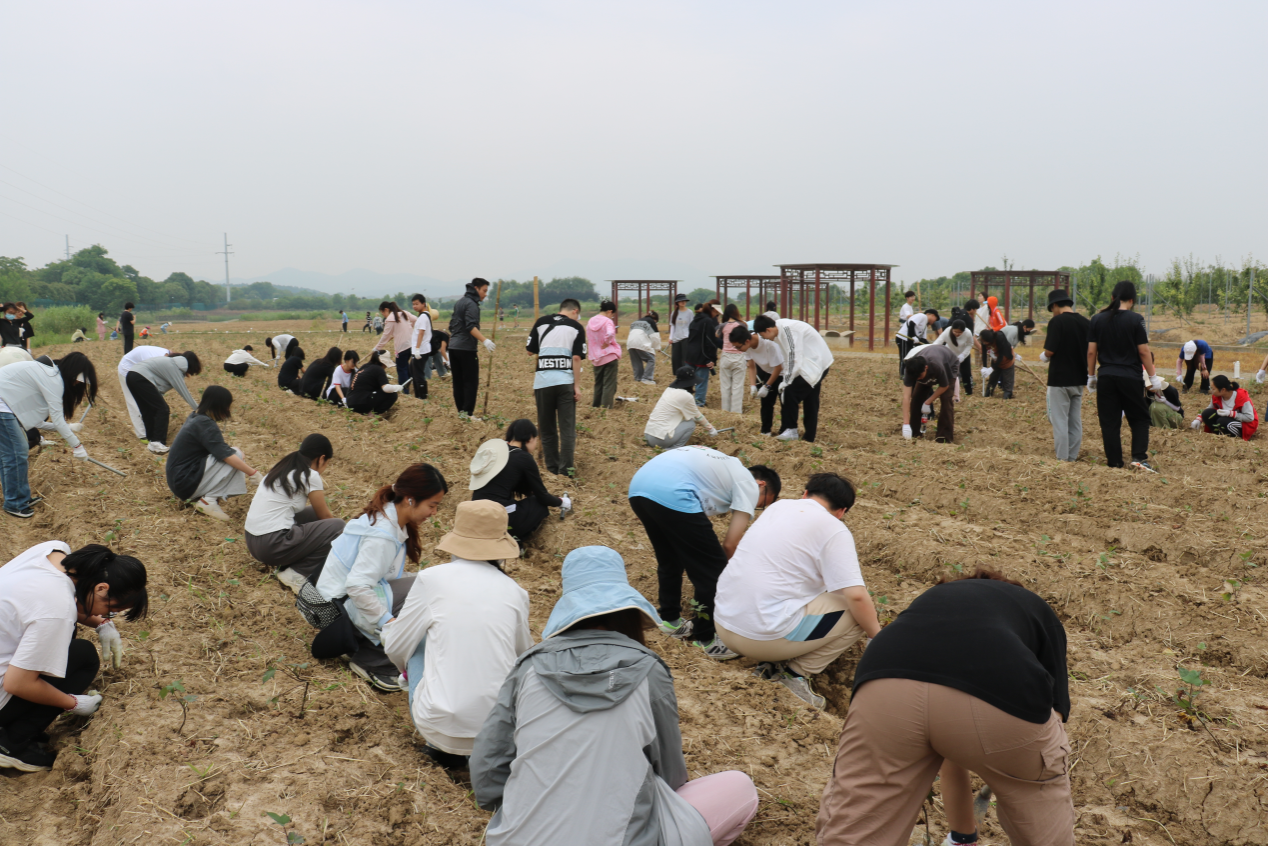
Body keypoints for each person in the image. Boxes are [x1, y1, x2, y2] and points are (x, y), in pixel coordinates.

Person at [471, 545, 760, 846]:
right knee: (739, 787)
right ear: (628, 611)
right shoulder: (649, 672)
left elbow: (487, 769)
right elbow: (671, 775)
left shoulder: (527, 668)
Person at [817, 570, 1074, 846]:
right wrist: (1018, 768)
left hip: (884, 682)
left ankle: (961, 840)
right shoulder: (1032, 606)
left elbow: (949, 743)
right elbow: (1055, 713)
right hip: (1000, 688)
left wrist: (963, 835)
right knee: (1038, 797)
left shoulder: (930, 601)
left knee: (862, 818)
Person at [715, 474, 880, 709]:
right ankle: (794, 675)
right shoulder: (834, 529)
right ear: (841, 511)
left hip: (723, 625)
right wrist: (876, 637)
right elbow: (856, 596)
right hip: (760, 639)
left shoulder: (777, 508)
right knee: (859, 613)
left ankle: (772, 661)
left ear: (805, 494)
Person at [383, 500, 527, 768]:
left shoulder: (432, 579)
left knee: (417, 639)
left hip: (439, 726)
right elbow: (522, 657)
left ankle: (442, 749)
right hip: (497, 731)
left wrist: (406, 673)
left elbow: (395, 645)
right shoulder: (516, 592)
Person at [0, 542, 148, 772]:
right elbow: (17, 683)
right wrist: (74, 703)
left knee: (67, 637)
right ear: (101, 588)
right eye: (110, 611)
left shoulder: (52, 552)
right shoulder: (58, 610)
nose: (104, 614)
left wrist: (102, 624)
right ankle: (11, 744)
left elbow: (43, 606)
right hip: (10, 686)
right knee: (84, 657)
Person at [628, 447, 779, 656]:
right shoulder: (748, 483)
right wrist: (733, 576)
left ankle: (670, 621)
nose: (756, 506)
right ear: (761, 484)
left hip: (639, 488)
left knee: (670, 558)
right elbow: (730, 544)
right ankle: (707, 638)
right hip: (674, 492)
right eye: (763, 502)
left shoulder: (725, 469)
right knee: (712, 571)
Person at [316, 463, 448, 691]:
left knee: (423, 583)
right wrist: (390, 625)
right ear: (410, 500)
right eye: (432, 505)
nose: (434, 513)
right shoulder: (384, 534)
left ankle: (365, 647)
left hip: (335, 604)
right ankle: (374, 660)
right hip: (338, 612)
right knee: (426, 589)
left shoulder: (387, 516)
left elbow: (381, 576)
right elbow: (357, 586)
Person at [0, 354, 97, 518]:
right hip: (2, 406)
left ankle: (19, 498)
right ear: (72, 373)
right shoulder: (53, 379)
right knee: (17, 451)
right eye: (77, 381)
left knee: (12, 453)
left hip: (5, 405)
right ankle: (15, 503)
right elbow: (58, 420)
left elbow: (38, 422)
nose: (77, 384)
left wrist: (68, 428)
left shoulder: (48, 374)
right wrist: (77, 446)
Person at [244, 434, 344, 592]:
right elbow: (326, 517)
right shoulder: (310, 475)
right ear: (321, 459)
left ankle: (290, 563)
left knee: (313, 514)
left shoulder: (282, 468)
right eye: (327, 463)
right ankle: (297, 574)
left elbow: (319, 515)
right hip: (270, 545)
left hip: (253, 541)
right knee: (337, 527)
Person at [1088, 281, 1164, 472]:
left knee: (1109, 421)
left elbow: (1091, 352)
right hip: (1130, 377)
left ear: (1112, 298)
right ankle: (1138, 457)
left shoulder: (1097, 319)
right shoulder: (1136, 319)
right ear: (1132, 300)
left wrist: (1091, 376)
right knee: (1139, 418)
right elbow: (1144, 351)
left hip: (1106, 376)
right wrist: (1153, 377)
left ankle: (1114, 462)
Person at [165, 386, 262, 522]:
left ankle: (206, 496)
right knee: (235, 456)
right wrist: (253, 473)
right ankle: (208, 500)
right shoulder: (205, 423)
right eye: (227, 406)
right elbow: (226, 456)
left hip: (179, 480)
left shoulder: (195, 417)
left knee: (235, 453)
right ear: (219, 405)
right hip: (185, 482)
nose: (228, 410)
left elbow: (220, 449)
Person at [470, 420, 568, 542]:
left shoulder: (498, 453)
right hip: (497, 518)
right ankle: (516, 542)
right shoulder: (524, 457)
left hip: (475, 514)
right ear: (530, 438)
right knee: (538, 505)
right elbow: (542, 496)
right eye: (536, 439)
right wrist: (561, 502)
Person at [525, 299, 586, 476]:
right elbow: (576, 358)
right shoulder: (576, 327)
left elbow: (529, 350)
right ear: (575, 311)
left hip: (543, 383)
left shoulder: (541, 322)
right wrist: (577, 386)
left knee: (547, 429)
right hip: (565, 383)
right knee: (567, 430)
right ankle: (565, 472)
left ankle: (552, 469)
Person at [753, 315, 835, 442]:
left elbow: (794, 358)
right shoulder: (778, 331)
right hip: (810, 361)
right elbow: (787, 358)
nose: (765, 339)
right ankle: (809, 438)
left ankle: (791, 430)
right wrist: (787, 378)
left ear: (768, 330)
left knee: (790, 392)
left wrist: (786, 381)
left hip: (815, 362)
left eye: (763, 336)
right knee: (810, 399)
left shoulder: (788, 331)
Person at [1040, 289, 1091, 462]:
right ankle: (1072, 457)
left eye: (1052, 309)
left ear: (1055, 305)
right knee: (1074, 421)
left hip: (1059, 380)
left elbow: (1050, 350)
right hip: (1079, 379)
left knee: (1059, 421)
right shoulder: (1086, 323)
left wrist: (1043, 356)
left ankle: (1062, 460)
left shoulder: (1057, 322)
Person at [126, 351, 202, 454]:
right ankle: (157, 442)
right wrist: (200, 410)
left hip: (131, 375)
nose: (187, 375)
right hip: (140, 377)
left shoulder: (170, 363)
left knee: (148, 409)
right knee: (163, 409)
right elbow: (184, 392)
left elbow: (159, 388)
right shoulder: (174, 367)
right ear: (189, 366)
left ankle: (151, 440)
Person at [449, 278, 495, 418]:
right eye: (484, 291)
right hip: (466, 349)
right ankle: (468, 413)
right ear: (476, 289)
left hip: (453, 348)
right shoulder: (472, 304)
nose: (485, 294)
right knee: (470, 382)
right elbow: (471, 326)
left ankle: (461, 413)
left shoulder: (460, 302)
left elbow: (451, 325)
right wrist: (485, 340)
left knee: (458, 382)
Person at [645, 366, 719, 448]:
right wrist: (710, 429)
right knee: (690, 424)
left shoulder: (669, 389)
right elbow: (697, 416)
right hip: (659, 439)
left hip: (648, 435)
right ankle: (675, 449)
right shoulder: (686, 396)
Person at [902, 344, 958, 442]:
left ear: (926, 368)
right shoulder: (911, 370)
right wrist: (906, 424)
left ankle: (943, 437)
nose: (918, 379)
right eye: (916, 378)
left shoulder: (936, 365)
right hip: (930, 362)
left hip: (949, 364)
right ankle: (914, 432)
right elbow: (906, 397)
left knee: (946, 399)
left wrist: (928, 401)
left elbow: (944, 386)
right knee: (916, 398)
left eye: (920, 376)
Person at [740, 331, 785, 435]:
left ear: (746, 341)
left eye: (738, 347)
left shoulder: (769, 344)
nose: (738, 350)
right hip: (769, 372)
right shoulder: (747, 347)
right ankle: (765, 430)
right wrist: (753, 385)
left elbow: (778, 368)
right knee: (766, 403)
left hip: (783, 373)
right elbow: (751, 366)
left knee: (785, 402)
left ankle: (785, 430)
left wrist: (766, 386)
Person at [371, 301, 417, 396]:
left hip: (402, 347)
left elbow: (385, 336)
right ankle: (409, 385)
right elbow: (415, 319)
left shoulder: (390, 319)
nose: (383, 315)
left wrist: (376, 348)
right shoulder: (404, 313)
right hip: (411, 345)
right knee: (405, 366)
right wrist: (408, 328)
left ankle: (404, 391)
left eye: (383, 313)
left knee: (401, 369)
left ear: (386, 310)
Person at [1194, 375, 1258, 439]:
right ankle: (1219, 434)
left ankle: (1237, 437)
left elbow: (1250, 417)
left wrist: (1231, 414)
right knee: (1206, 413)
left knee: (1222, 421)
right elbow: (1210, 408)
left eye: (1213, 389)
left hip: (1244, 423)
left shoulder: (1241, 397)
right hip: (1227, 419)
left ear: (1223, 390)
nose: (1211, 391)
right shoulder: (1217, 396)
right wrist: (1199, 418)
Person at [685, 300, 722, 407]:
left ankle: (686, 402)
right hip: (702, 356)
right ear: (713, 310)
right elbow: (710, 341)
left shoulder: (695, 320)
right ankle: (699, 403)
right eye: (716, 313)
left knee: (689, 381)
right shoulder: (707, 321)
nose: (716, 315)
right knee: (701, 381)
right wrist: (711, 358)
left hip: (690, 355)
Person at [928, 319, 976, 401]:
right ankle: (952, 392)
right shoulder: (947, 331)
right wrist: (932, 349)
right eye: (955, 331)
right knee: (952, 374)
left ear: (963, 331)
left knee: (966, 373)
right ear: (952, 329)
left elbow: (970, 344)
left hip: (963, 354)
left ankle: (969, 392)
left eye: (959, 332)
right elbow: (938, 342)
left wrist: (963, 355)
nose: (957, 334)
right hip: (950, 354)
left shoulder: (968, 333)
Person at [586, 301, 622, 409]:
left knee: (598, 384)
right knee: (609, 384)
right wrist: (607, 342)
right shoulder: (607, 321)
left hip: (596, 357)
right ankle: (606, 408)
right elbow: (610, 333)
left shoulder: (591, 321)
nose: (612, 317)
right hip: (609, 356)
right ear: (610, 311)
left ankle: (596, 406)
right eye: (612, 315)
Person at [716, 305, 748, 413]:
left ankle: (725, 411)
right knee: (737, 387)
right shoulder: (742, 325)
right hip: (738, 356)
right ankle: (736, 413)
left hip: (726, 356)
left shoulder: (723, 325)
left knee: (725, 387)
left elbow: (717, 335)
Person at [978, 329, 1015, 399]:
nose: (984, 343)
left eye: (985, 342)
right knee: (993, 378)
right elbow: (984, 353)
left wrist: (992, 368)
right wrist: (985, 367)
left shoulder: (999, 338)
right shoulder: (984, 341)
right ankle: (989, 391)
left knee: (1008, 379)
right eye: (983, 341)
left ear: (990, 340)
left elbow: (1001, 355)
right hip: (995, 359)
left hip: (1006, 358)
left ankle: (1008, 393)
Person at [626, 310, 661, 385]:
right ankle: (647, 378)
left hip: (630, 343)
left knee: (636, 361)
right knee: (651, 359)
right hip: (640, 343)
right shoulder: (651, 322)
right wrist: (657, 347)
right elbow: (655, 337)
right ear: (655, 320)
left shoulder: (636, 321)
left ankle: (638, 379)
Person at [408, 294, 432, 399]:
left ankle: (422, 396)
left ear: (423, 304)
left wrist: (417, 349)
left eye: (417, 304)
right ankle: (418, 395)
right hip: (419, 349)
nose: (414, 306)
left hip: (421, 350)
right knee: (414, 372)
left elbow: (421, 333)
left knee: (418, 374)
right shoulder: (423, 316)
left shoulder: (423, 317)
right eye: (413, 304)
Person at [895, 310, 930, 378]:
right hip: (903, 338)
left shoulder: (925, 326)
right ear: (931, 315)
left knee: (911, 357)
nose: (934, 322)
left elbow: (923, 339)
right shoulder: (922, 316)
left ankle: (909, 373)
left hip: (910, 341)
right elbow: (911, 323)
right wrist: (913, 336)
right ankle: (903, 374)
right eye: (935, 319)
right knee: (905, 357)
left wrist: (930, 346)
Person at [895, 289, 917, 371]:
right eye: (911, 297)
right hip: (904, 330)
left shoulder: (910, 307)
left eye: (913, 296)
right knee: (904, 352)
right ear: (907, 298)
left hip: (908, 329)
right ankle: (902, 371)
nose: (913, 298)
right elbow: (908, 316)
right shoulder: (905, 306)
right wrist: (918, 316)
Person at [668, 293, 691, 372]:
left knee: (685, 358)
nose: (683, 302)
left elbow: (691, 325)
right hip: (676, 338)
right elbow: (672, 326)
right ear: (677, 302)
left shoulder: (689, 312)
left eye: (684, 301)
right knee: (675, 358)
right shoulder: (674, 313)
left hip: (686, 337)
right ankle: (677, 374)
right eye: (681, 301)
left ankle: (685, 373)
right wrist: (671, 338)